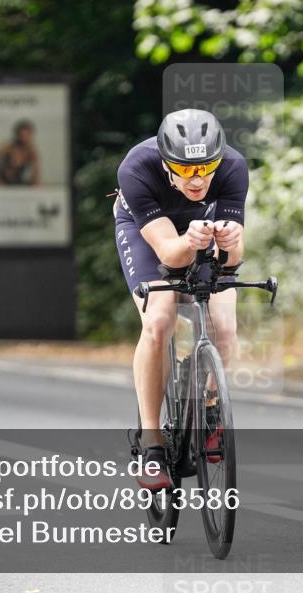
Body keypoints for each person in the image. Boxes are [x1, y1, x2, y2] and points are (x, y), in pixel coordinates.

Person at [113, 109, 247, 489]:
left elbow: (232, 260)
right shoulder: (137, 168)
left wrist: (231, 245)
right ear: (166, 163)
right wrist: (189, 241)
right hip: (150, 231)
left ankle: (207, 408)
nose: (198, 178)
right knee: (159, 319)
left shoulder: (234, 167)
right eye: (186, 170)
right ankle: (152, 443)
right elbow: (169, 255)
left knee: (224, 326)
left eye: (207, 167)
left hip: (199, 229)